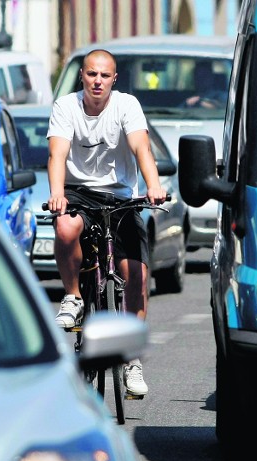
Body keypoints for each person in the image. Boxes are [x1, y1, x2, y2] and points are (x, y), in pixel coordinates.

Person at [46, 48, 167, 397]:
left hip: (120, 197)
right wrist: (58, 194)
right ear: (82, 76)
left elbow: (141, 147)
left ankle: (132, 360)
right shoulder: (65, 107)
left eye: (104, 76)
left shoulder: (126, 105)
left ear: (114, 79)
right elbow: (57, 154)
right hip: (78, 193)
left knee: (137, 276)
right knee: (65, 227)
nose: (97, 81)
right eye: (91, 74)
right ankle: (73, 298)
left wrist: (153, 186)